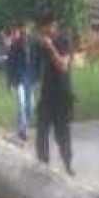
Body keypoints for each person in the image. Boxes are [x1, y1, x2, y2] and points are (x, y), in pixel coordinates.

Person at [33, 13, 74, 174]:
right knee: (41, 130)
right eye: (41, 29)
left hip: (62, 94)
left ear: (53, 25)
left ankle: (68, 164)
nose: (43, 32)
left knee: (62, 133)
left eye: (45, 28)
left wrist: (51, 48)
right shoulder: (41, 44)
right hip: (46, 94)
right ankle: (43, 166)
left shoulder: (64, 40)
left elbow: (63, 66)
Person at [5, 21, 37, 142]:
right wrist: (9, 81)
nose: (25, 31)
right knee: (21, 104)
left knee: (30, 106)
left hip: (30, 79)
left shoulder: (34, 44)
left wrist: (38, 77)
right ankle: (21, 131)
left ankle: (24, 127)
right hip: (18, 80)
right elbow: (9, 64)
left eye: (28, 29)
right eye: (24, 29)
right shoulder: (15, 45)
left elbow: (38, 62)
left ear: (30, 30)